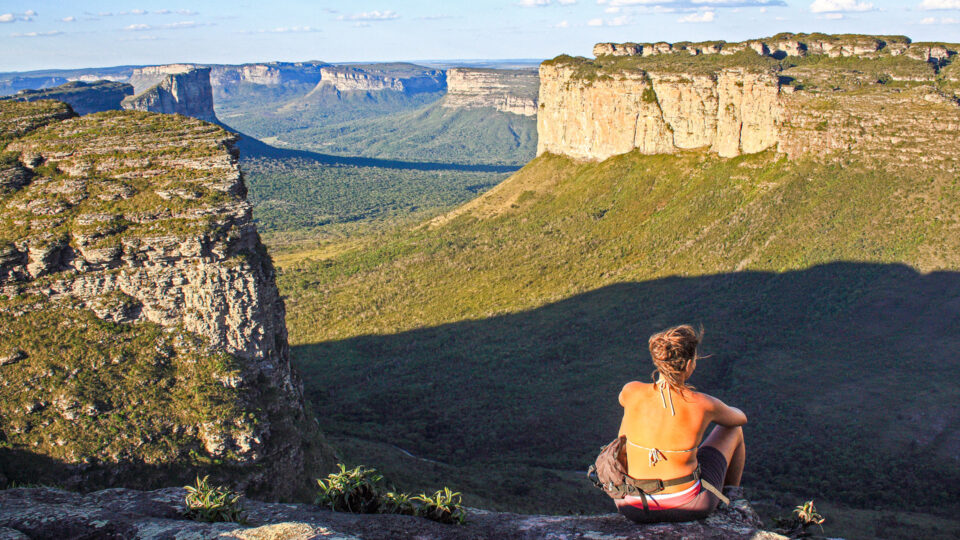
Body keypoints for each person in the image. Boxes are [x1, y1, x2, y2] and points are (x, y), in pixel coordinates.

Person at [614, 324, 747, 523]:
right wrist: (716, 407)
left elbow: (623, 401)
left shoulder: (631, 390)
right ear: (688, 365)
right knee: (733, 430)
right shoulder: (704, 404)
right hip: (686, 506)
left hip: (631, 505)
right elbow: (740, 418)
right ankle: (731, 500)